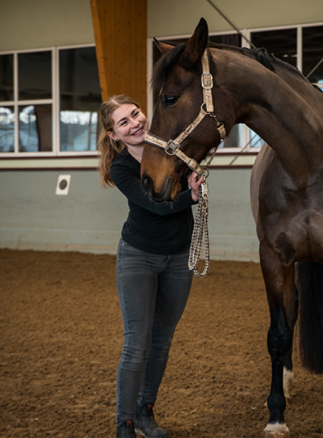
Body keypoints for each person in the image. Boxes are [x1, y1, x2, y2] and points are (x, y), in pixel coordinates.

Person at [97, 95, 203, 438]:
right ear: (114, 135)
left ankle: (146, 413)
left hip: (179, 257)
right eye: (123, 122)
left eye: (135, 114)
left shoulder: (174, 150)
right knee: (137, 344)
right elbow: (155, 205)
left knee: (161, 342)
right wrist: (191, 197)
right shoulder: (122, 167)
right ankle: (124, 423)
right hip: (138, 256)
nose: (135, 123)